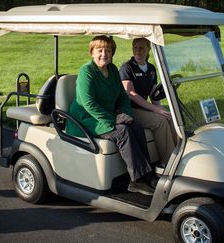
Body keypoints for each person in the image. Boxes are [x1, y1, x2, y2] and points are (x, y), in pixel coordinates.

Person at [66, 36, 157, 195]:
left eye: (108, 50)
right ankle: (137, 181)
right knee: (123, 132)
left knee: (135, 126)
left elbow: (123, 96)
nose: (104, 54)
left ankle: (148, 175)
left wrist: (126, 114)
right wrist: (115, 119)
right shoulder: (87, 72)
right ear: (92, 53)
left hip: (105, 116)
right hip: (84, 120)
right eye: (99, 50)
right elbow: (89, 104)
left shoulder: (113, 70)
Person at [120, 38, 177, 165]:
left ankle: (179, 154)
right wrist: (156, 110)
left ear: (148, 50)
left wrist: (161, 109)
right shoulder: (127, 67)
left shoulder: (151, 68)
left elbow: (154, 94)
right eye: (135, 48)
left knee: (171, 117)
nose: (138, 51)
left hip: (142, 107)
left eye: (142, 48)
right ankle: (168, 162)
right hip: (129, 109)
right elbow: (131, 94)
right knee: (160, 121)